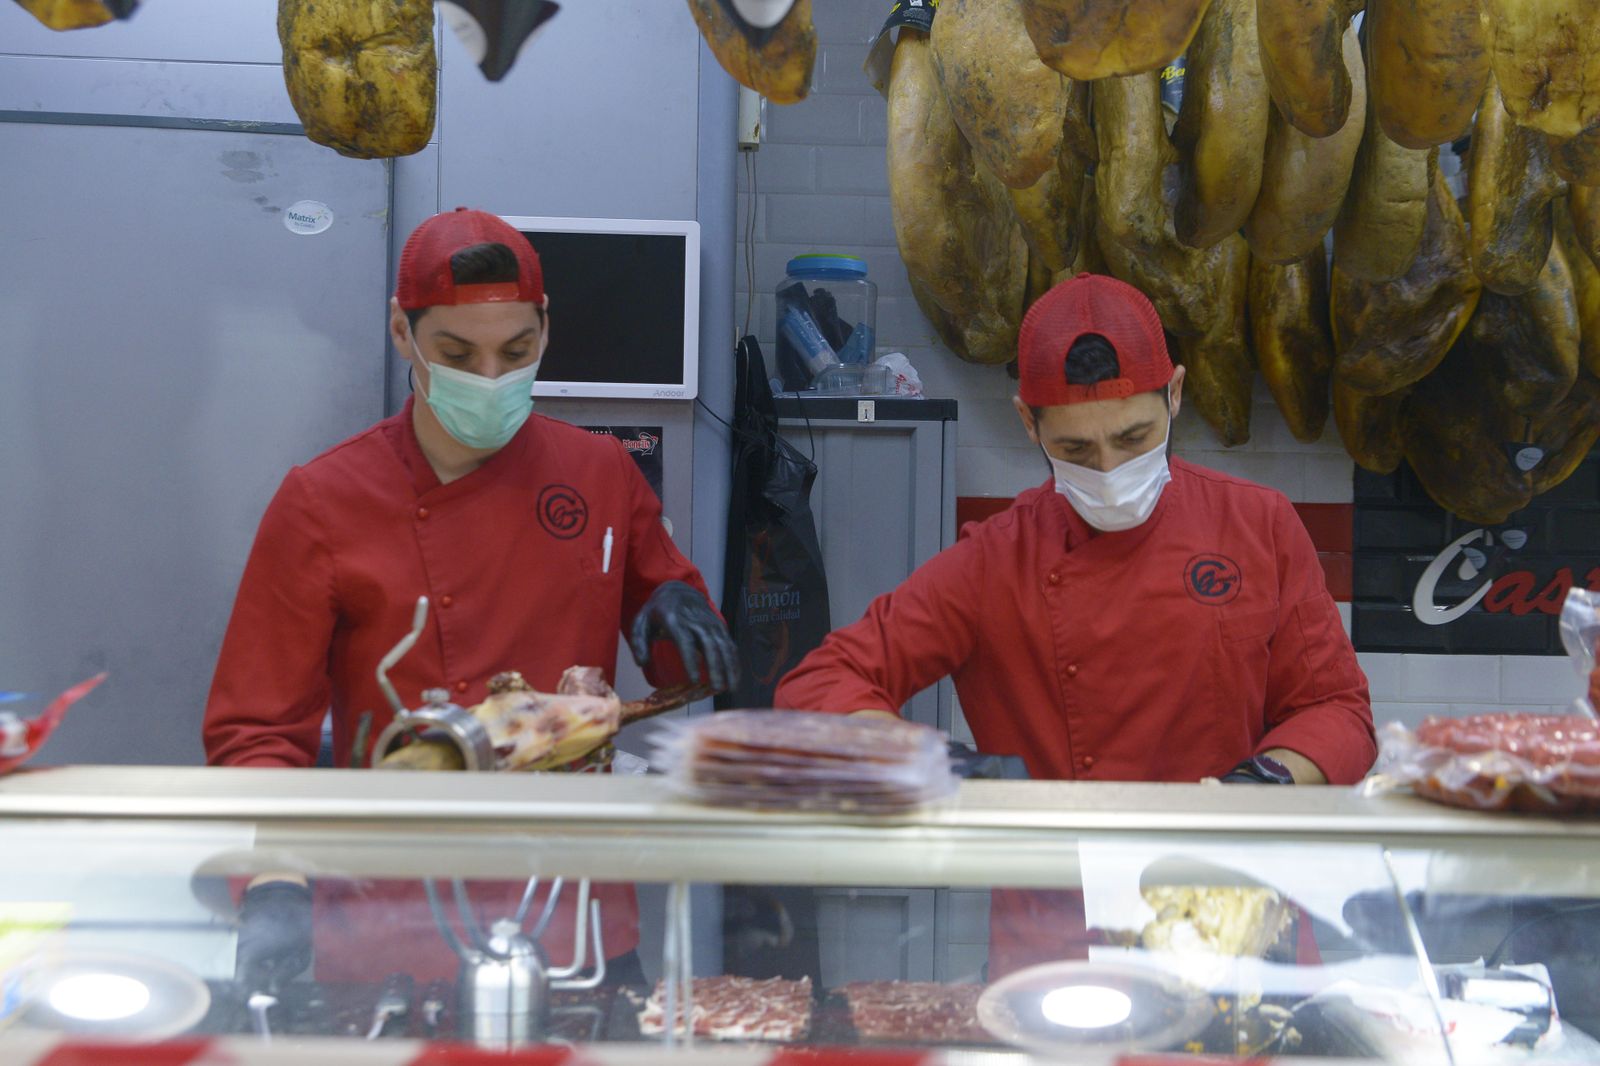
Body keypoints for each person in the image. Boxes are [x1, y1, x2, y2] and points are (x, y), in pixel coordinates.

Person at [774, 273, 1376, 974]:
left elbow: (1337, 709)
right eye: (1077, 451)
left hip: (1238, 916)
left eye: (1133, 437)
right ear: (1029, 423)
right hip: (1062, 949)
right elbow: (818, 685)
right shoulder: (997, 558)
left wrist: (1267, 782)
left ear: (1175, 395)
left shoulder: (1258, 524)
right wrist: (939, 764)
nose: (1112, 471)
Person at [204, 207, 736, 990]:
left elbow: (678, 663)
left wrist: (681, 611)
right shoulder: (322, 500)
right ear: (402, 332)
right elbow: (257, 730)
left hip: (571, 912)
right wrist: (272, 888)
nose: (490, 379)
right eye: (457, 353)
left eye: (516, 351)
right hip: (389, 919)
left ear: (545, 328)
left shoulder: (599, 473)